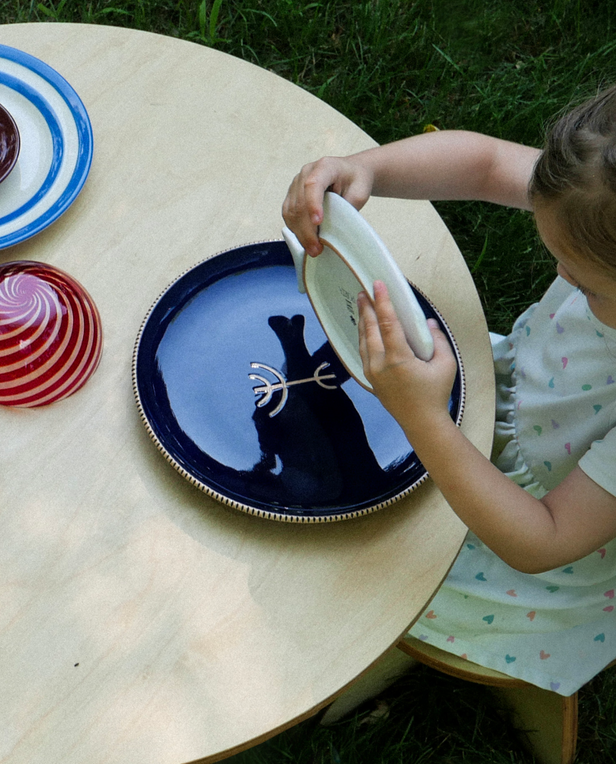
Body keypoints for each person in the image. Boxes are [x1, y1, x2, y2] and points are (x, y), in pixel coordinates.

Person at [282, 87, 616, 696]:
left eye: (588, 286)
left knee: (354, 564)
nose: (562, 276)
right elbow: (486, 162)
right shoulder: (598, 190)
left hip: (539, 537)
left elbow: (543, 540)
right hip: (516, 404)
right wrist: (366, 169)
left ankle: (361, 662)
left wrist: (422, 417)